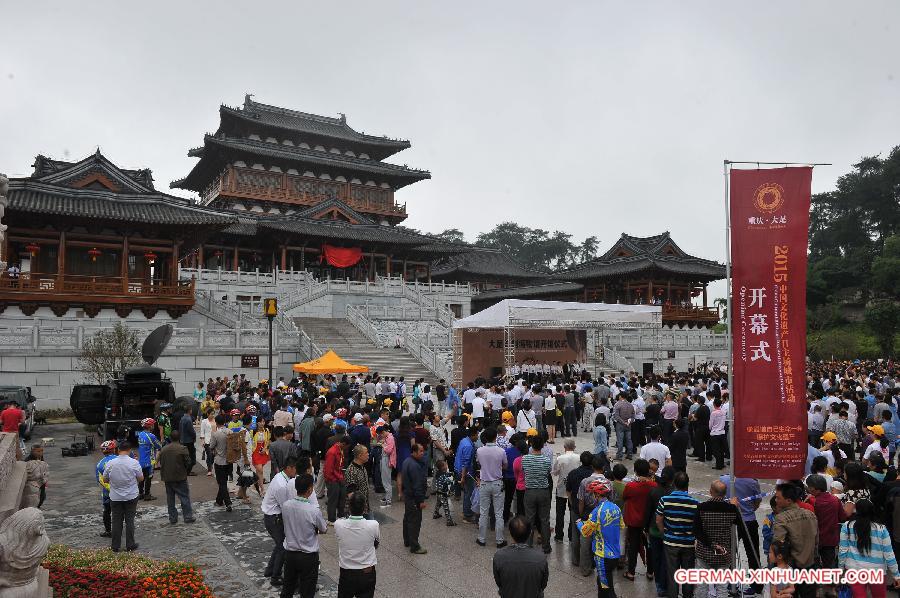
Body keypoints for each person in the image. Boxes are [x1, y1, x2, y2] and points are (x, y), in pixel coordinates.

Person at [838, 499, 900, 598]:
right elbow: (889, 554)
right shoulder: (881, 529)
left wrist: (840, 569)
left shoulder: (847, 526)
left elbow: (842, 550)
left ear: (856, 510)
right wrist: (896, 575)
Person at [281, 473, 327, 598]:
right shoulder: (313, 510)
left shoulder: (286, 506)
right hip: (308, 556)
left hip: (290, 554)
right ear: (310, 489)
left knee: (288, 588)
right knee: (307, 591)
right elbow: (324, 529)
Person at [771, 482, 819, 598]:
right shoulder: (810, 514)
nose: (775, 500)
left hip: (791, 567)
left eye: (778, 498)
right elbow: (817, 540)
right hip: (810, 565)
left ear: (788, 501)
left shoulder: (781, 518)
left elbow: (778, 547)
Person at [694, 481, 741, 598]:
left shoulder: (701, 508)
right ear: (725, 494)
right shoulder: (731, 509)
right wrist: (734, 506)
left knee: (701, 585)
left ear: (710, 492)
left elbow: (696, 531)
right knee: (722, 587)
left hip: (704, 552)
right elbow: (738, 523)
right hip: (724, 554)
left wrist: (711, 544)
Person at [656, 471, 699, 598]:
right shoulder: (695, 503)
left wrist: (664, 533)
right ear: (687, 485)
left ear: (674, 484)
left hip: (670, 542)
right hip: (688, 543)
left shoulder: (665, 500)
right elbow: (697, 524)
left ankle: (672, 595)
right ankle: (687, 595)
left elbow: (658, 519)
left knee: (672, 573)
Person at [579, 477, 623, 598]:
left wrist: (579, 523)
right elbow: (621, 526)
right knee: (609, 583)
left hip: (602, 554)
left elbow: (585, 532)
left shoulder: (596, 512)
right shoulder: (616, 508)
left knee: (603, 587)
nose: (593, 496)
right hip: (615, 553)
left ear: (597, 494)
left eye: (593, 494)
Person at [262, 457, 299, 588]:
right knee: (283, 547)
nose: (296, 471)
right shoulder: (281, 485)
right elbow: (286, 507)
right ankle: (275, 576)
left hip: (273, 516)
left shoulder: (282, 477)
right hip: (274, 518)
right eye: (295, 468)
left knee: (279, 545)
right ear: (288, 468)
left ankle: (270, 570)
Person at [335, 492, 380, 598]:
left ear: (349, 507)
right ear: (364, 507)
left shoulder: (339, 524)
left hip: (346, 573)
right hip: (367, 573)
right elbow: (376, 543)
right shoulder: (374, 525)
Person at [492, 516, 550, 598]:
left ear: (510, 533)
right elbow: (543, 584)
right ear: (530, 533)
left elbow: (499, 582)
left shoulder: (499, 557)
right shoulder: (541, 558)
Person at [102, 441, 143, 552]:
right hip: (131, 495)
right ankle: (130, 544)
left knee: (116, 521)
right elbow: (141, 478)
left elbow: (105, 479)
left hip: (115, 497)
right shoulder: (134, 463)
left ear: (118, 450)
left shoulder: (110, 463)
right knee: (130, 520)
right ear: (129, 450)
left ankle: (115, 545)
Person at [622, 459, 657, 581]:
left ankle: (631, 572)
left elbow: (624, 497)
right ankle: (650, 572)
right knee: (650, 547)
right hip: (648, 522)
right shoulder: (653, 485)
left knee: (633, 546)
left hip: (634, 521)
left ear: (635, 471)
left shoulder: (631, 486)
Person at [476, 426, 508, 547]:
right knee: (498, 513)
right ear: (495, 437)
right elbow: (505, 465)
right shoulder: (501, 451)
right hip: (497, 483)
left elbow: (479, 463)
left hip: (484, 483)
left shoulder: (479, 450)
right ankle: (499, 540)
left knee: (483, 512)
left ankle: (482, 539)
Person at [522, 434, 553, 554]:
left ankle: (528, 545)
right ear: (542, 446)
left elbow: (525, 472)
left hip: (529, 491)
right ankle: (546, 546)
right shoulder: (546, 460)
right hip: (544, 491)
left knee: (529, 519)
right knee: (544, 520)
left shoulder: (525, 459)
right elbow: (548, 473)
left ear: (531, 445)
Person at [398, 442, 428, 554]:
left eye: (423, 451)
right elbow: (417, 485)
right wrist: (420, 501)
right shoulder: (415, 466)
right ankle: (414, 546)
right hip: (414, 498)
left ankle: (407, 541)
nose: (423, 453)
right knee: (415, 522)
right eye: (420, 451)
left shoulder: (406, 461)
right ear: (414, 452)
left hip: (408, 496)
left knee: (407, 519)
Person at [552, 438, 581, 543]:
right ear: (574, 447)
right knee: (573, 512)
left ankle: (559, 535)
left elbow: (555, 472)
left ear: (564, 447)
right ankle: (571, 535)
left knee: (560, 513)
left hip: (561, 488)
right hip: (574, 489)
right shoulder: (579, 458)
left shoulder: (560, 458)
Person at [208, 414, 233, 512]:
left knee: (221, 483)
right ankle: (219, 500)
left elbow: (211, 446)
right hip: (229, 460)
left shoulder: (216, 434)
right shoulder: (230, 432)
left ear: (216, 423)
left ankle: (228, 503)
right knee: (223, 482)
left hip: (219, 460)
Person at [325, 435, 351, 523]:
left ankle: (341, 515)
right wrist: (334, 479)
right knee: (333, 500)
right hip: (333, 480)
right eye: (347, 446)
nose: (347, 448)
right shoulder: (332, 452)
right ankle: (331, 519)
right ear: (343, 444)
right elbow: (328, 470)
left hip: (339, 477)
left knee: (342, 497)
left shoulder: (340, 450)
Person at [96, 440, 117, 537]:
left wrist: (109, 488)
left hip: (107, 493)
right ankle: (119, 530)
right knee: (119, 512)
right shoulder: (119, 459)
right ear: (113, 449)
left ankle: (108, 531)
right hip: (121, 491)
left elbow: (100, 480)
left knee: (107, 511)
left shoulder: (100, 464)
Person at [136, 417, 161, 501]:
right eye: (152, 424)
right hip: (149, 461)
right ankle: (147, 495)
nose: (154, 426)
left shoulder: (140, 434)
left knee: (141, 478)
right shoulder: (151, 436)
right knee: (149, 478)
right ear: (149, 426)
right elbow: (159, 446)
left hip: (141, 460)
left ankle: (140, 493)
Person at [345, 444, 371, 518]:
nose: (368, 454)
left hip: (365, 508)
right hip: (357, 513)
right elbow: (351, 495)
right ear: (360, 456)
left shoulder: (362, 467)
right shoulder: (351, 471)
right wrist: (359, 512)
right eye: (366, 453)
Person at [432, 459, 456, 525]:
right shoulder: (443, 476)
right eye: (446, 464)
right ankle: (449, 521)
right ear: (443, 467)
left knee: (438, 503)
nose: (447, 465)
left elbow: (445, 474)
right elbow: (447, 481)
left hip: (438, 492)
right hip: (443, 493)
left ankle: (435, 513)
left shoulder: (439, 473)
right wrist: (453, 481)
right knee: (446, 507)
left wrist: (450, 474)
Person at [178, 407, 197, 474]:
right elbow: (191, 431)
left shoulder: (182, 418)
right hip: (189, 440)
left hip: (183, 439)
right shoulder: (188, 419)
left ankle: (186, 470)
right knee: (192, 456)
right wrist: (194, 437)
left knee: (185, 455)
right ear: (190, 410)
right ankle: (188, 471)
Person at [200, 409, 216, 476]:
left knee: (213, 455)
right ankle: (209, 469)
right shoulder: (204, 421)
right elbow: (202, 431)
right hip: (207, 440)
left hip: (215, 440)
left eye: (213, 414)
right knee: (209, 455)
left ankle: (211, 465)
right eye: (211, 414)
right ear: (207, 414)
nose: (212, 415)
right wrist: (202, 440)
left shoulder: (215, 420)